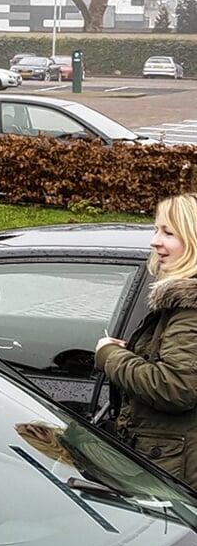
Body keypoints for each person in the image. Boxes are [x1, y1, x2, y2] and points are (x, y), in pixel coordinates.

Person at [95, 194, 197, 487]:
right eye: (156, 230)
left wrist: (109, 356)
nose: (154, 241)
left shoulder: (190, 309)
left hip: (172, 469)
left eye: (168, 232)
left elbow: (176, 387)